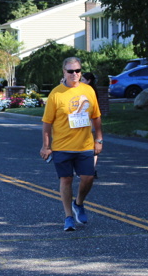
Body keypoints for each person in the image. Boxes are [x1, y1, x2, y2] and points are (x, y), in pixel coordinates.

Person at [40, 57, 103, 231]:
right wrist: (46, 146)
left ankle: (79, 203)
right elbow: (47, 122)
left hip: (85, 145)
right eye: (70, 71)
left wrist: (99, 139)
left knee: (88, 178)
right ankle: (68, 217)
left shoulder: (88, 90)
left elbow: (96, 117)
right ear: (64, 72)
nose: (74, 74)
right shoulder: (56, 94)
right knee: (66, 179)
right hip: (62, 146)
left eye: (77, 70)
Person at [80, 72, 100, 179]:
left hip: (88, 120)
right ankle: (91, 168)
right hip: (85, 120)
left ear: (89, 81)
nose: (81, 82)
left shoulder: (90, 92)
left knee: (89, 145)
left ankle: (90, 168)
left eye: (83, 80)